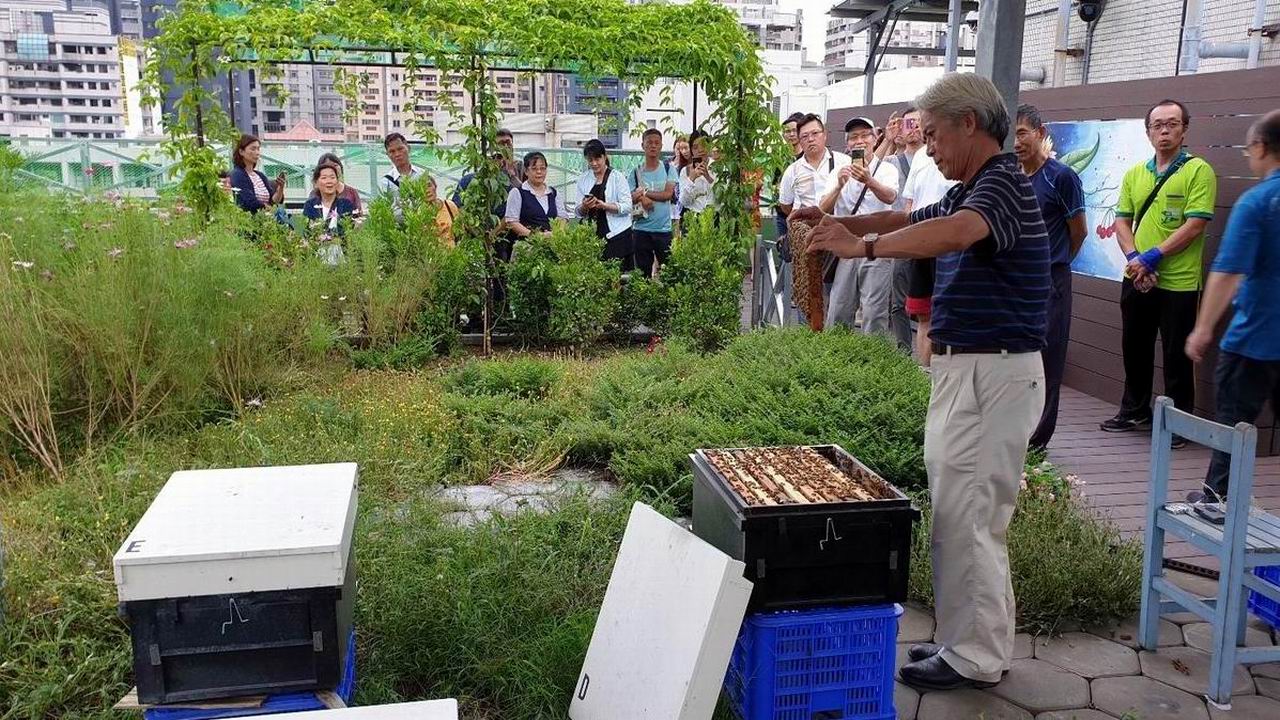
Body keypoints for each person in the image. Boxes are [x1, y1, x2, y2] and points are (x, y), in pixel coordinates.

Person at [794, 73, 1051, 692]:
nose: (927, 146)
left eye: (933, 134)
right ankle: (974, 642)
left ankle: (975, 657)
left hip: (993, 374)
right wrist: (837, 226)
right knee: (964, 513)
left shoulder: (1000, 190)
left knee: (969, 515)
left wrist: (867, 248)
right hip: (975, 371)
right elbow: (911, 214)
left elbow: (952, 233)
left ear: (969, 124)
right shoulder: (976, 187)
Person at [1100, 99, 1217, 446]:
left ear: (1184, 129)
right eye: (1158, 125)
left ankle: (1180, 423)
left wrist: (1153, 257)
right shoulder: (1136, 173)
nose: (1164, 131)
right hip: (1137, 276)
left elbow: (1195, 225)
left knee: (1177, 354)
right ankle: (1135, 409)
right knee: (1134, 347)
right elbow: (1122, 220)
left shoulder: (1198, 171)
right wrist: (1136, 257)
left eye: (1172, 124)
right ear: (1148, 131)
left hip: (1178, 281)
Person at [1185, 110, 1280, 507]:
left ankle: (1217, 497)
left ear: (1260, 147)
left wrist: (1203, 328)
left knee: (1234, 424)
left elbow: (1227, 273)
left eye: (1248, 149)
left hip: (1255, 340)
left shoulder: (1258, 202)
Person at [1015, 104, 1087, 452]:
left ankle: (1037, 440)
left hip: (1050, 280)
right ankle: (1015, 431)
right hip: (1015, 281)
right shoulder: (1012, 177)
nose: (1016, 142)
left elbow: (1079, 232)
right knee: (1016, 356)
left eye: (1022, 133)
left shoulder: (1061, 177)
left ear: (1041, 133)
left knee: (1047, 358)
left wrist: (1056, 263)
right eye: (1011, 134)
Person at [819, 116, 899, 334]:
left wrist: (869, 181)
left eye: (865, 135)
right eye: (854, 137)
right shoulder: (838, 172)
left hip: (878, 244)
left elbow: (891, 197)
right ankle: (837, 359)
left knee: (874, 312)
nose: (859, 141)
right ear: (847, 144)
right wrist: (838, 187)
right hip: (846, 246)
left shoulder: (887, 169)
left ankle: (872, 363)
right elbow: (823, 208)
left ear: (875, 139)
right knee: (838, 309)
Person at [899, 105, 961, 364]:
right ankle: (923, 378)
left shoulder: (959, 159)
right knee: (924, 316)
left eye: (931, 132)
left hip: (952, 248)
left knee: (946, 316)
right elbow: (909, 206)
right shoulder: (921, 159)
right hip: (922, 246)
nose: (930, 146)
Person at [778, 114, 852, 323]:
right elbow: (785, 204)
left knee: (837, 291)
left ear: (825, 135)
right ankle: (809, 339)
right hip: (808, 237)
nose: (810, 139)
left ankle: (836, 336)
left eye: (815, 134)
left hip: (838, 232)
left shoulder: (843, 162)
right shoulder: (792, 171)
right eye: (805, 136)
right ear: (799, 141)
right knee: (808, 291)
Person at [882, 108, 921, 350]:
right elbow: (869, 168)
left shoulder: (934, 158)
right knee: (898, 300)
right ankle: (903, 349)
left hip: (928, 233)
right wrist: (886, 139)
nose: (914, 127)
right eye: (909, 123)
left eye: (918, 122)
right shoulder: (891, 162)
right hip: (900, 236)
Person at [575, 139, 634, 270]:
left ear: (604, 156)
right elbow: (577, 211)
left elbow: (627, 206)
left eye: (597, 159)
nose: (594, 163)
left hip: (617, 234)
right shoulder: (583, 179)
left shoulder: (617, 177)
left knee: (617, 276)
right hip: (592, 235)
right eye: (590, 160)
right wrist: (585, 206)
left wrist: (605, 206)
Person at [629, 128, 679, 277]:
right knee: (642, 275)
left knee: (668, 273)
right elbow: (629, 196)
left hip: (663, 230)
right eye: (649, 142)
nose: (653, 146)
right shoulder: (635, 172)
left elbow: (667, 194)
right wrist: (640, 197)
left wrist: (643, 193)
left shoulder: (668, 168)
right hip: (640, 230)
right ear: (642, 145)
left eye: (657, 143)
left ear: (661, 146)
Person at [303, 163, 358, 264]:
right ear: (316, 183)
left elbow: (346, 231)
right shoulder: (310, 204)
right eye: (324, 178)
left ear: (337, 182)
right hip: (316, 259)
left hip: (342, 259)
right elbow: (308, 232)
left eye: (332, 177)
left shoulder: (346, 204)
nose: (329, 181)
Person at [504, 151, 559, 243]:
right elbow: (512, 222)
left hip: (551, 245)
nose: (539, 172)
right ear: (526, 171)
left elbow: (562, 217)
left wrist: (556, 233)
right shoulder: (517, 192)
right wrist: (537, 236)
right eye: (534, 169)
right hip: (526, 247)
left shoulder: (553, 193)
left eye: (543, 168)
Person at [773, 112, 808, 251]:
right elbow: (775, 182)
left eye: (794, 130)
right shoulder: (779, 158)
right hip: (782, 215)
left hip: (800, 216)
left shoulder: (805, 158)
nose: (791, 134)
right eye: (787, 131)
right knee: (784, 253)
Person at [229, 134, 285, 215]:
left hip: (265, 218)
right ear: (241, 152)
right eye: (253, 149)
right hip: (250, 219)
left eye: (258, 149)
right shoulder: (237, 174)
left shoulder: (260, 175)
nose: (257, 153)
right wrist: (270, 209)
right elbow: (250, 202)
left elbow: (273, 201)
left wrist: (280, 188)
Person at [379, 133, 423, 218]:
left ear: (408, 148)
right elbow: (384, 210)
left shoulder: (422, 175)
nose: (397, 154)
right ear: (387, 155)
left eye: (400, 149)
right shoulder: (386, 182)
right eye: (392, 151)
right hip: (397, 229)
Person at [678, 131, 717, 225]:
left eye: (703, 145)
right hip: (693, 221)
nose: (700, 150)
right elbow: (684, 201)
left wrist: (708, 177)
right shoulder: (685, 171)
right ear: (691, 150)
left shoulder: (718, 168)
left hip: (714, 219)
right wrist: (691, 179)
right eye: (695, 147)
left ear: (709, 145)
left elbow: (721, 197)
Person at [426, 175, 460, 247]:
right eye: (423, 188)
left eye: (429, 185)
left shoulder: (449, 205)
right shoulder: (419, 214)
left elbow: (460, 231)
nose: (427, 191)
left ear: (435, 186)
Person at [672, 134, 692, 233]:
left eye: (686, 148)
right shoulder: (682, 168)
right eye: (680, 148)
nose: (683, 151)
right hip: (683, 209)